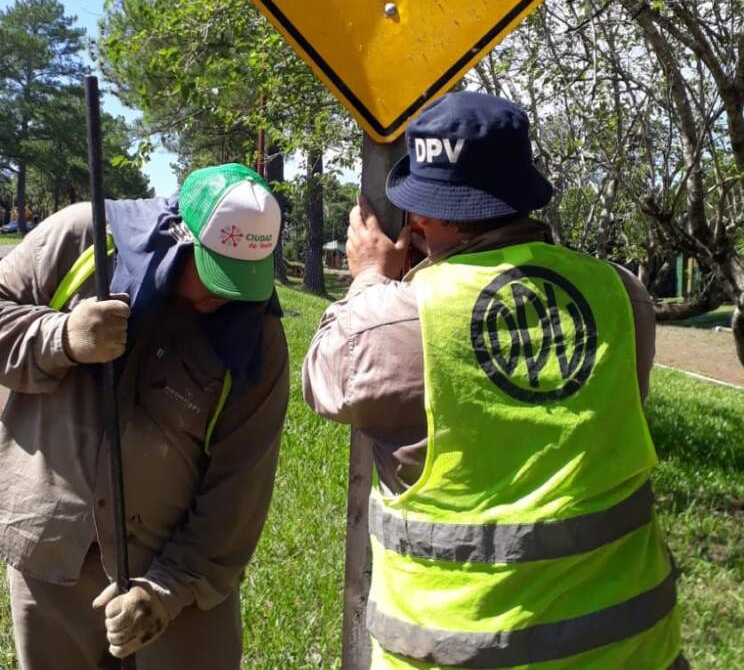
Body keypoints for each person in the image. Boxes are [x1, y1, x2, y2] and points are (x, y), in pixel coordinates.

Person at [303, 91, 687, 670]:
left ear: (429, 218)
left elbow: (323, 379)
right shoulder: (622, 295)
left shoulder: (398, 323)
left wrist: (369, 281)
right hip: (632, 648)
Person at [0, 163, 289, 670]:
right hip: (55, 558)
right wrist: (61, 339)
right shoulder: (83, 239)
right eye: (217, 274)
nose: (225, 297)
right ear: (179, 237)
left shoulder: (256, 336)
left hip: (181, 573)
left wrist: (168, 590)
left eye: (243, 282)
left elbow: (240, 486)